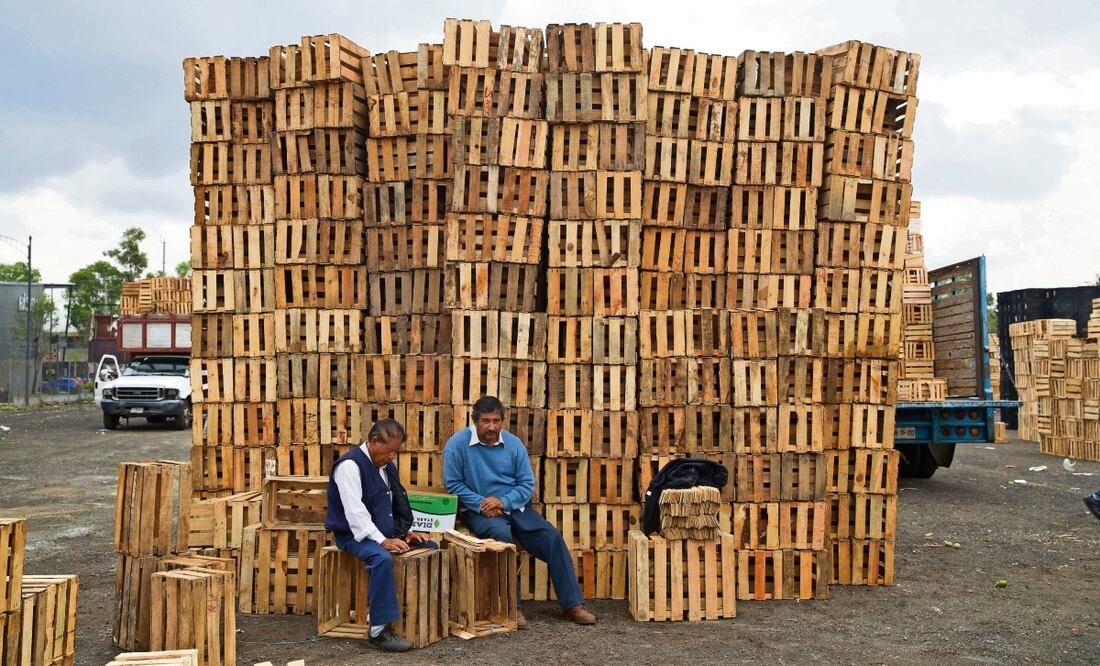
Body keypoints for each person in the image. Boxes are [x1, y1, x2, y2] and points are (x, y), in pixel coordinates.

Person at [443, 396, 597, 628]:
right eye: (485, 421)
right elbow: (453, 484)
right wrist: (482, 503)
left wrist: (503, 502)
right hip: (479, 509)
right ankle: (513, 607)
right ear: (474, 421)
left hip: (513, 507)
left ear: (503, 420)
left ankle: (573, 604)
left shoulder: (514, 444)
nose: (491, 427)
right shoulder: (457, 444)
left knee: (552, 538)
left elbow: (526, 484)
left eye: (496, 421)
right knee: (501, 538)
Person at [325, 419, 435, 652]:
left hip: (382, 534)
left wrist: (405, 533)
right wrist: (383, 541)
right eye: (390, 451)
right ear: (374, 442)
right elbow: (356, 514)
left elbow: (394, 502)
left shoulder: (385, 466)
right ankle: (378, 631)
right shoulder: (349, 466)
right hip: (352, 536)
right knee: (381, 559)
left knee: (431, 546)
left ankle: (415, 613)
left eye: (396, 451)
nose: (392, 457)